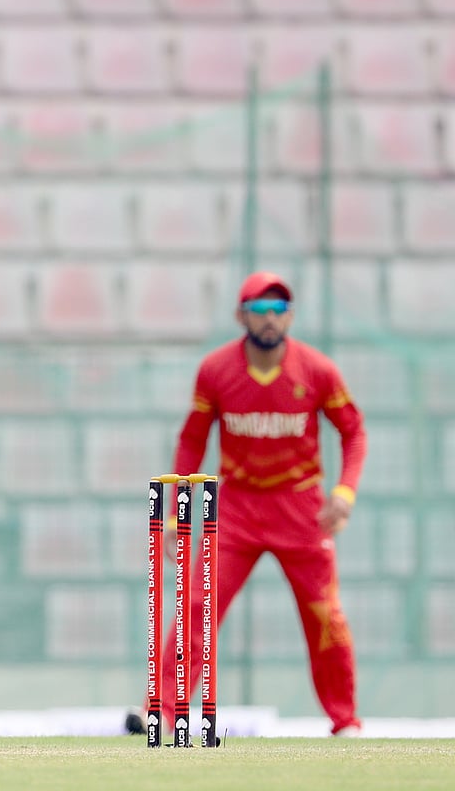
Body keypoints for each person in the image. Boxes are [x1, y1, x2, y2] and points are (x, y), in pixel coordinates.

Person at [125, 271, 367, 738]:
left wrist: (344, 492)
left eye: (278, 310)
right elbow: (191, 440)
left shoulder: (317, 370)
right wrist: (177, 512)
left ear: (290, 316)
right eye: (259, 309)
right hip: (236, 510)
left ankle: (345, 722)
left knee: (326, 614)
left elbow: (354, 431)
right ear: (241, 315)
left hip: (301, 512)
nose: (270, 319)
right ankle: (164, 712)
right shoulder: (216, 371)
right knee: (196, 606)